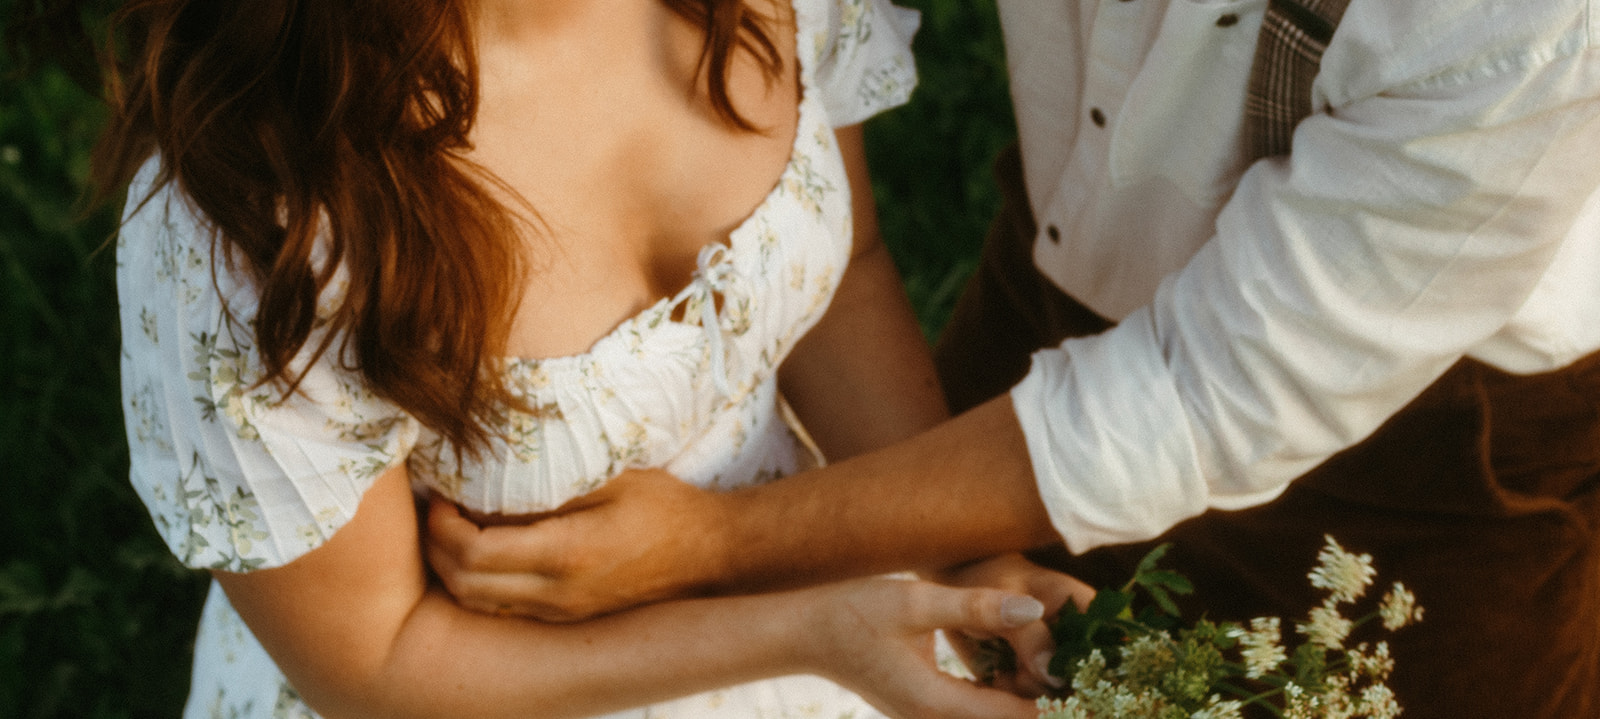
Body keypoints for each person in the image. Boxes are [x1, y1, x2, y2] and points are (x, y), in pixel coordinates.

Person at [423, 0, 1600, 717]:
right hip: (1063, 253)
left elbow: (1203, 397)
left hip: (1434, 440)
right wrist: (953, 551)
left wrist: (711, 546)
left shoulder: (1532, 23)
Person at [98, 0, 1092, 716]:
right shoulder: (251, 225)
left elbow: (846, 278)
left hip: (827, 597)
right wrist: (812, 630)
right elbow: (378, 661)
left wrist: (957, 561)